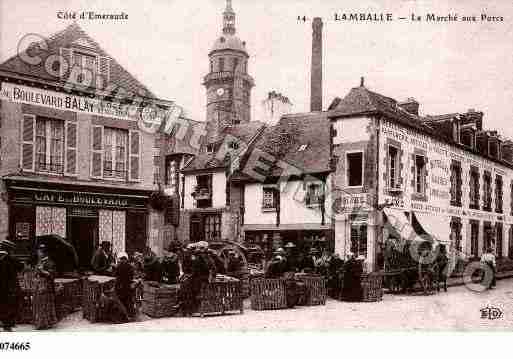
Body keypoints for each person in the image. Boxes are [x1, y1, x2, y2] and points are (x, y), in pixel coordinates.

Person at [0, 239, 24, 332]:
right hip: (10, 287)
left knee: (3, 304)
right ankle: (8, 324)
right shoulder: (11, 259)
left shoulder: (7, 259)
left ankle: (5, 322)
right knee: (10, 304)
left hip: (3, 286)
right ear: (10, 250)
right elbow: (21, 267)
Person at [33, 244, 58, 329]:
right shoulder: (40, 262)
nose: (38, 253)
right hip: (39, 286)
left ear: (43, 253)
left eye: (39, 252)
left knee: (45, 305)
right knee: (39, 304)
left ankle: (45, 323)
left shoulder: (49, 262)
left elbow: (52, 274)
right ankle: (40, 323)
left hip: (46, 286)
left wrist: (42, 271)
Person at [114, 252, 136, 320]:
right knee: (128, 301)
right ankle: (130, 315)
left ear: (122, 259)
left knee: (121, 302)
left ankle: (123, 316)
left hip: (120, 287)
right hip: (127, 287)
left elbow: (116, 275)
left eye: (121, 259)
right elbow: (132, 276)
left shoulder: (119, 266)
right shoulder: (130, 266)